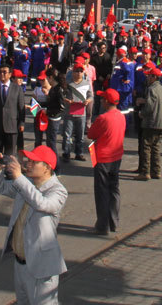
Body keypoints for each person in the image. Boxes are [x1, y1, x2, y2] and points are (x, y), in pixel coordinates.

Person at [0, 145, 67, 305]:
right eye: (28, 160)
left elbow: (42, 203)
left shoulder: (58, 191)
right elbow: (1, 187)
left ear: (47, 168)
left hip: (41, 268)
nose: (28, 164)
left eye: (34, 162)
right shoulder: (27, 183)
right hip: (20, 263)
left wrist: (19, 178)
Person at [87, 88, 126, 235]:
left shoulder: (103, 118)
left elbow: (91, 134)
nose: (101, 101)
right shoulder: (121, 116)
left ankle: (102, 225)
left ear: (106, 102)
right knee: (114, 189)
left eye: (103, 99)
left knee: (102, 191)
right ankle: (113, 221)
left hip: (103, 157)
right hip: (116, 156)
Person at [0, 64, 26, 164]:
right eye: (0, 72)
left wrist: (22, 123)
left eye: (4, 72)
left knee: (10, 152)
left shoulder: (17, 89)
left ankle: (9, 172)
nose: (2, 74)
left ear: (10, 74)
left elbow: (21, 108)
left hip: (11, 125)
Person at [136, 66, 162, 180]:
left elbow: (150, 106)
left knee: (146, 146)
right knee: (156, 147)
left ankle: (145, 172)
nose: (147, 77)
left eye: (149, 75)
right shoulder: (161, 88)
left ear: (154, 77)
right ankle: (156, 171)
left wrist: (142, 113)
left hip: (152, 121)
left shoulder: (151, 89)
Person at [62, 64, 92, 162]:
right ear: (73, 72)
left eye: (80, 71)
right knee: (67, 134)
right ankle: (66, 152)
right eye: (76, 71)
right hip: (69, 112)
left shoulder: (87, 83)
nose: (78, 73)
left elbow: (91, 96)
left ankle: (79, 153)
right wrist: (66, 100)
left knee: (80, 135)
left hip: (81, 112)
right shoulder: (67, 84)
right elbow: (61, 95)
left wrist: (88, 100)